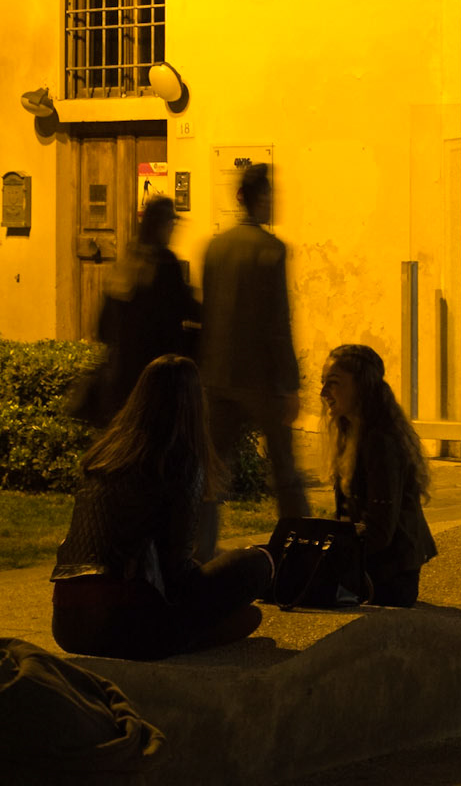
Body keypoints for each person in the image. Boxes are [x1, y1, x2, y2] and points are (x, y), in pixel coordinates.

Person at [51, 355, 272, 659]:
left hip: (67, 627)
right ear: (195, 404)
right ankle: (180, 635)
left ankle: (187, 633)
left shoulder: (104, 456)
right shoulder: (180, 461)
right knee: (257, 563)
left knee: (242, 614)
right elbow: (176, 573)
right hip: (123, 622)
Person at [198, 163, 306, 547]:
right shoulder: (271, 249)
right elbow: (278, 321)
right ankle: (299, 545)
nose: (273, 203)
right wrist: (290, 384)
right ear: (261, 199)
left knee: (211, 471)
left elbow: (207, 312)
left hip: (218, 377)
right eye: (270, 196)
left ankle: (200, 549)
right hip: (262, 380)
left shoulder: (215, 247)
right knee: (284, 471)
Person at [320, 345, 437, 608]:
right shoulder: (350, 432)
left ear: (362, 386)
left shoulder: (380, 442)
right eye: (323, 382)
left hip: (390, 578)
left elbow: (380, 532)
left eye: (333, 383)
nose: (323, 393)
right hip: (365, 566)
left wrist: (333, 560)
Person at [95, 196, 198, 424]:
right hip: (155, 372)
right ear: (161, 226)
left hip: (123, 374)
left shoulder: (128, 259)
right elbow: (183, 307)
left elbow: (103, 326)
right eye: (171, 224)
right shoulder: (165, 262)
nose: (173, 230)